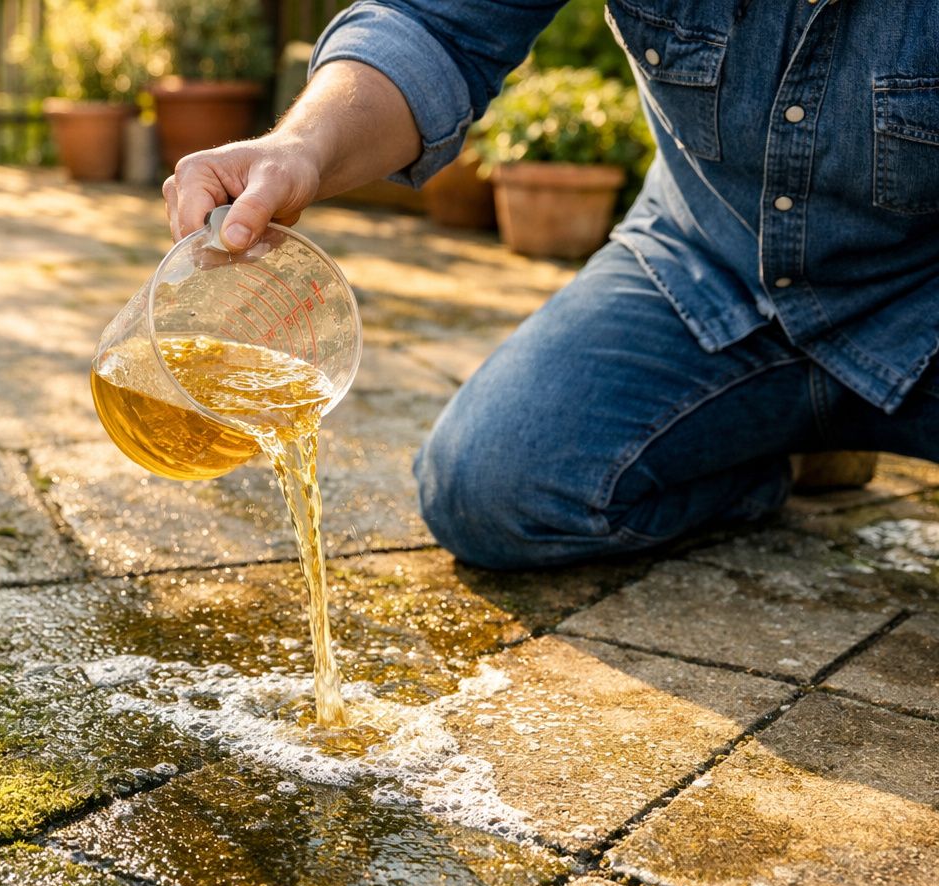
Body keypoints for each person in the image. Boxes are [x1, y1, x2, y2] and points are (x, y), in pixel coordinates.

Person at [161, 1, 939, 570]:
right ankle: (789, 450)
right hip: (709, 263)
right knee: (487, 488)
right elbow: (436, 25)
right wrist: (299, 147)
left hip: (922, 299)